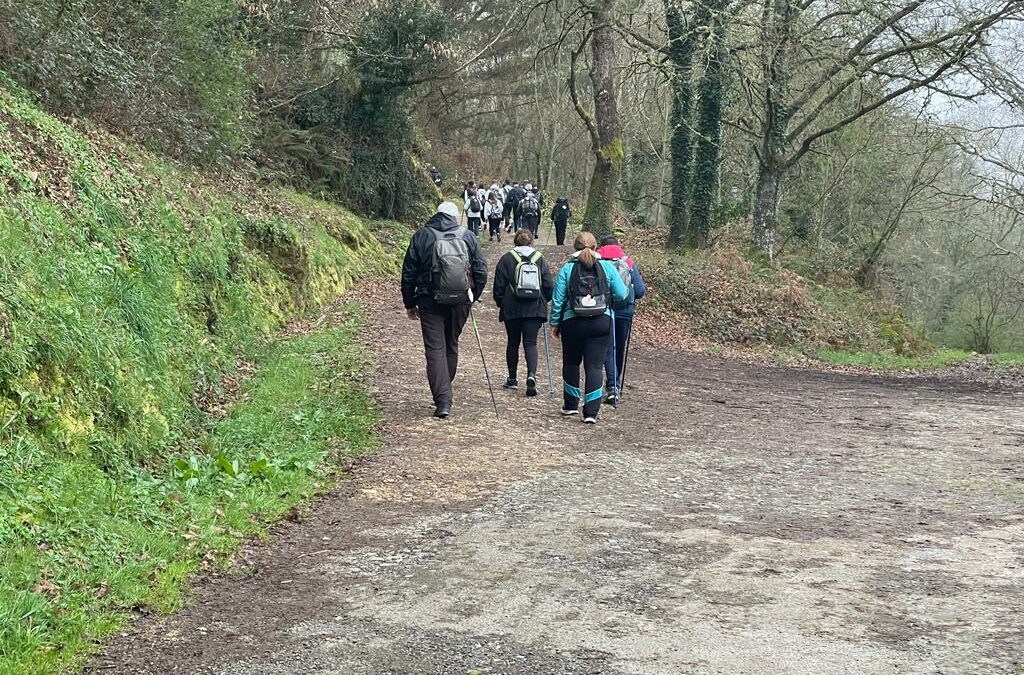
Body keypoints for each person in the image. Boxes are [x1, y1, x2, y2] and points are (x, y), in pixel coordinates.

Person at [401, 202, 488, 419]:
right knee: (451, 343)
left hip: (429, 300)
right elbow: (481, 270)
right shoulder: (467, 235)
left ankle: (443, 400)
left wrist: (410, 302)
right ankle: (444, 390)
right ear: (454, 216)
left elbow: (408, 272)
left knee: (435, 348)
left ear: (436, 214)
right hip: (460, 300)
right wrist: (472, 296)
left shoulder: (422, 235)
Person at [549, 232, 629, 423]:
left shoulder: (567, 269)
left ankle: (570, 405)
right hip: (601, 322)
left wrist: (554, 323)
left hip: (572, 322)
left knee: (571, 363)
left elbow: (558, 299)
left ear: (574, 247)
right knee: (594, 366)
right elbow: (621, 294)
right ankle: (591, 412)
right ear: (595, 247)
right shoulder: (607, 267)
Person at [493, 229, 554, 397]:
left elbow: (498, 286)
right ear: (530, 242)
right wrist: (543, 300)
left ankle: (512, 379)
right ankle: (531, 375)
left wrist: (502, 303)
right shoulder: (539, 258)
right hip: (534, 308)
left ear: (515, 242)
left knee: (513, 342)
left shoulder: (506, 258)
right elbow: (548, 285)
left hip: (512, 307)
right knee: (531, 343)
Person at [596, 236, 646, 404]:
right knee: (618, 347)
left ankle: (611, 386)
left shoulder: (597, 261)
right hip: (624, 311)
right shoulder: (628, 263)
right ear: (618, 246)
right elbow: (639, 291)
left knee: (607, 347)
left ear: (601, 246)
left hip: (602, 310)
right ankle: (615, 384)